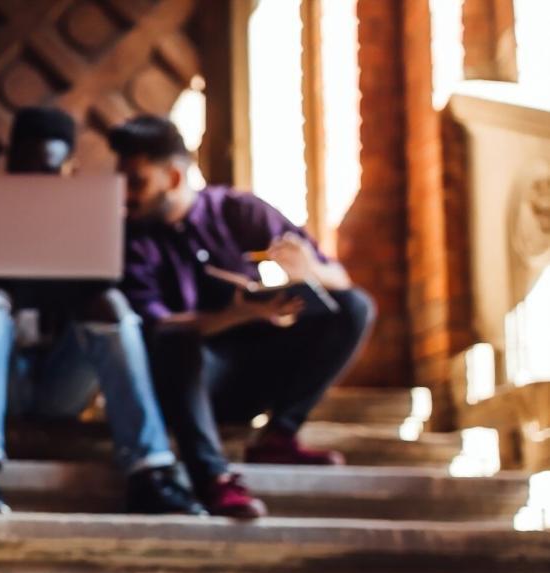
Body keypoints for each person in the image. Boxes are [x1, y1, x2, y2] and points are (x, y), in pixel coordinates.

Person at [110, 115, 376, 519]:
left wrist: (309, 273)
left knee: (354, 307)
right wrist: (233, 314)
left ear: (175, 178)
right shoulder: (131, 239)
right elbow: (155, 326)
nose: (125, 196)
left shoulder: (239, 211)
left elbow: (339, 278)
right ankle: (213, 478)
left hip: (258, 368)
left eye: (136, 182)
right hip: (186, 383)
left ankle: (279, 436)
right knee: (177, 340)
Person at [0, 106, 203, 515]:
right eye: (29, 173)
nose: (40, 184)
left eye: (49, 173)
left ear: (69, 169)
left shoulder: (98, 222)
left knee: (112, 304)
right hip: (3, 379)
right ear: (12, 169)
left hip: (61, 383)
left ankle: (150, 471)